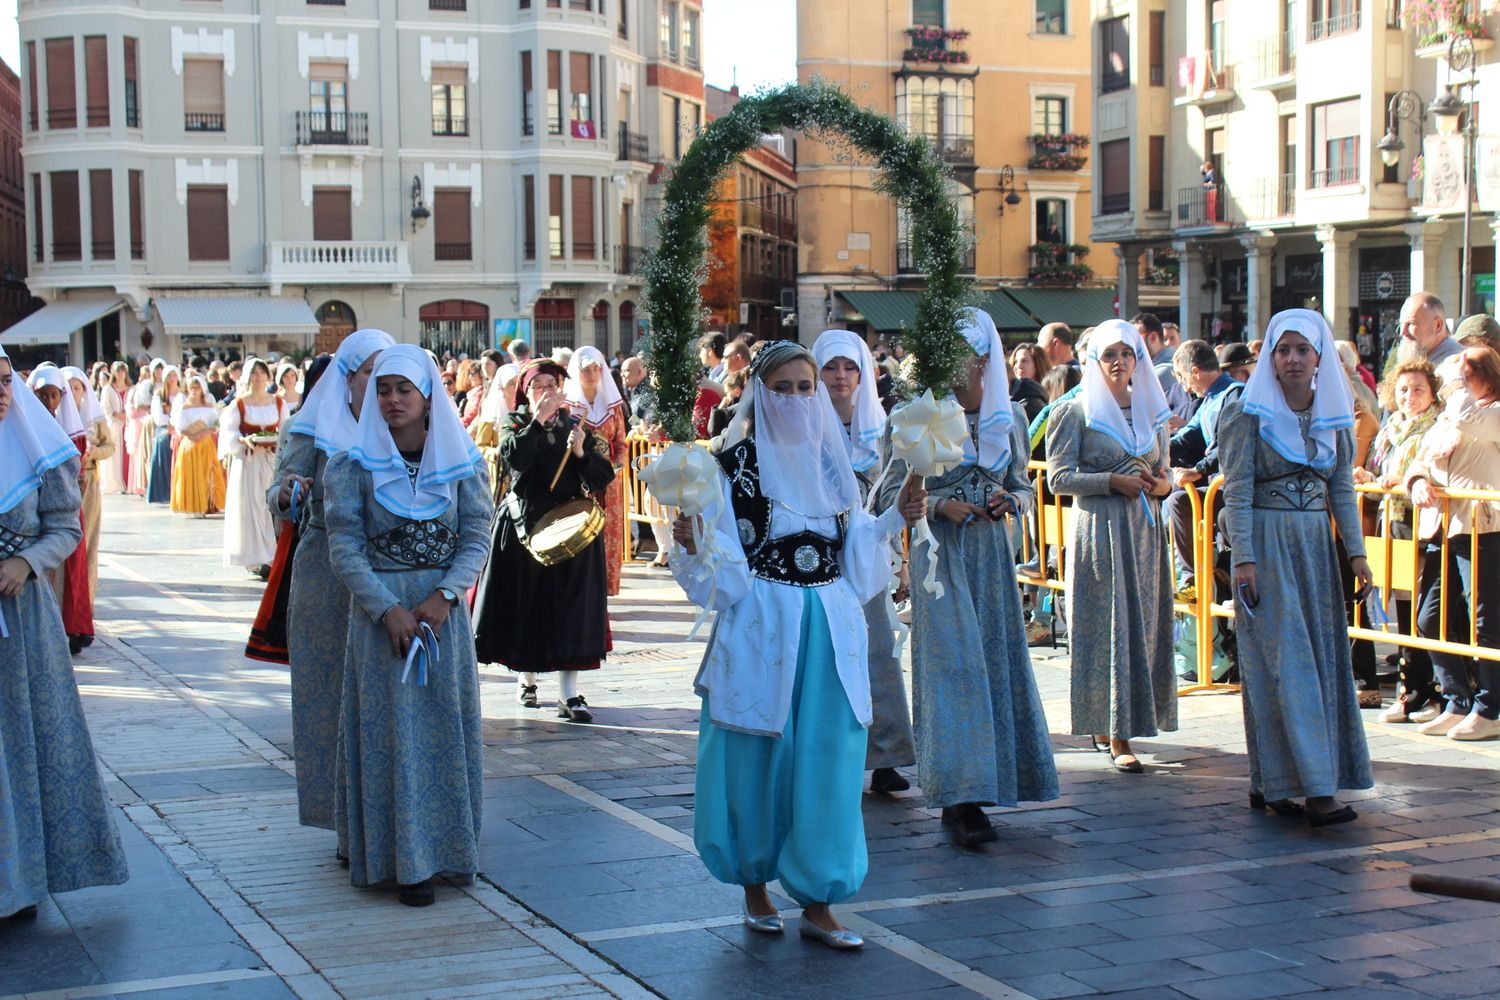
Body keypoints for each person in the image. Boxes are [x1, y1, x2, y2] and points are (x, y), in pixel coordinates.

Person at [670, 341, 926, 949]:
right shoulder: (727, 466)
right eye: (781, 388)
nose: (794, 398)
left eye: (804, 387)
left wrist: (896, 518)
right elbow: (722, 571)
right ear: (759, 392)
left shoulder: (833, 463)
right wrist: (693, 539)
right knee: (755, 754)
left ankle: (819, 898)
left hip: (829, 624)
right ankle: (755, 883)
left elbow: (858, 555)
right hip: (762, 623)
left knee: (829, 757)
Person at [322, 344, 493, 906]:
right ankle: (402, 862)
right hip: (382, 619)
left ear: (427, 397)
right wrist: (386, 609)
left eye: (404, 390)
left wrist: (445, 598)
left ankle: (449, 851)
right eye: (384, 389)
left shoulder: (463, 461)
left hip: (441, 616)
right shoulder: (351, 464)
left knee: (445, 728)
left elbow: (475, 534)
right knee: (391, 735)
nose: (393, 399)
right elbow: (345, 548)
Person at [883, 312, 1060, 845]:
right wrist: (939, 504)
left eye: (966, 354)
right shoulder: (918, 416)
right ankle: (958, 797)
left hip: (992, 558)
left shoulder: (1011, 418)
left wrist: (1015, 499)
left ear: (985, 361)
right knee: (952, 670)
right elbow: (892, 494)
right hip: (942, 561)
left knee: (993, 664)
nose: (955, 365)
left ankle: (994, 781)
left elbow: (1022, 484)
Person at [1220, 309, 1374, 823]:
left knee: (1320, 664)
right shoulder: (1247, 411)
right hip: (1267, 544)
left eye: (1301, 350)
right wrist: (1243, 559)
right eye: (1282, 350)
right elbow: (1237, 489)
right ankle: (1315, 790)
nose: (1291, 359)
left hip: (1314, 550)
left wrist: (1355, 553)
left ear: (1318, 357)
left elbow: (1342, 488)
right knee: (1285, 666)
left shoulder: (1333, 412)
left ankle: (1274, 782)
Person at [0, 345, 129, 920]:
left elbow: (63, 525)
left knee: (25, 743)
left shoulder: (38, 448)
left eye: (5, 381)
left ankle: (23, 875)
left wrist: (25, 564)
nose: (2, 392)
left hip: (22, 620)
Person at [268, 330, 393, 833]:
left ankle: (388, 816)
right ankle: (342, 818)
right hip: (325, 574)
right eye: (370, 375)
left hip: (389, 572)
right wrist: (289, 493)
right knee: (329, 698)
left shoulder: (410, 425)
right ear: (347, 379)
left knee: (385, 699)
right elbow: (277, 490)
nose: (382, 387)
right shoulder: (311, 426)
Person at [1047, 319, 1177, 774]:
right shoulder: (1075, 410)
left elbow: (1167, 471)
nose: (1120, 362)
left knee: (1140, 625)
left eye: (1127, 353)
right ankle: (1115, 731)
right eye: (1110, 355)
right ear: (1094, 361)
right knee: (1108, 626)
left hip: (1143, 533)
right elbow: (1058, 477)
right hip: (1100, 529)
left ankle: (1128, 718)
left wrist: (1160, 485)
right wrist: (1111, 481)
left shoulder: (1150, 409)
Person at [473, 358, 615, 721]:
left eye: (553, 386)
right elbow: (513, 459)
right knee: (527, 606)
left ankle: (570, 694)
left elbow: (602, 476)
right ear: (526, 393)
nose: (548, 393)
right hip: (525, 525)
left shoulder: (574, 425)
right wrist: (536, 422)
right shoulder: (515, 423)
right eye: (540, 387)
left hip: (570, 526)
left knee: (573, 611)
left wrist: (582, 453)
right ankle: (527, 678)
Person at [813, 329, 917, 797]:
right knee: (827, 652)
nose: (840, 376)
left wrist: (900, 558)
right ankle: (831, 752)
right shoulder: (804, 421)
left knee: (877, 648)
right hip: (818, 555)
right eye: (831, 366)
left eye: (849, 367)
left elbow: (897, 495)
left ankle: (886, 755)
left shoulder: (883, 427)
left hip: (871, 554)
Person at [1407, 347, 1500, 741]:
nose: (1451, 387)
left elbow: (1472, 423)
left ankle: (1489, 707)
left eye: (1463, 376)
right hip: (1442, 526)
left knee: (1485, 622)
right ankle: (1457, 698)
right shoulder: (1452, 414)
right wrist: (1417, 482)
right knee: (1430, 618)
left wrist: (1460, 389)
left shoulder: (1490, 412)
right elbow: (1420, 458)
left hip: (1482, 525)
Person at [1356, 359, 1443, 725]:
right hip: (1387, 524)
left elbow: (1432, 472)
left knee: (1423, 614)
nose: (1409, 396)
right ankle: (1411, 689)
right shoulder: (1391, 427)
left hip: (1419, 525)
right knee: (1400, 611)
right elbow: (1378, 469)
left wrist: (1399, 478)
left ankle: (1430, 690)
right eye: (1404, 389)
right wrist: (1369, 475)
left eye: (1418, 389)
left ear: (1432, 392)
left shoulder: (1436, 427)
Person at [29, 368, 96, 655]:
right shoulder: (26, 424)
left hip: (67, 509)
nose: (48, 401)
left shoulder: (71, 429)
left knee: (71, 569)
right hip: (34, 508)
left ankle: (74, 626)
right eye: (43, 395)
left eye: (54, 395)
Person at [564, 346, 630, 596]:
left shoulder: (612, 406)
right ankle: (583, 590)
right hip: (580, 478)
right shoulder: (569, 407)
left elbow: (621, 443)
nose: (591, 375)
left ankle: (606, 588)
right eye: (585, 370)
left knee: (609, 533)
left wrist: (617, 467)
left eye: (595, 369)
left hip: (608, 478)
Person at [220, 359, 284, 574]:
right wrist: (242, 440)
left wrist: (278, 442)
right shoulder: (239, 404)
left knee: (269, 506)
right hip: (249, 461)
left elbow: (285, 430)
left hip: (271, 460)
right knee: (252, 505)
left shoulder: (278, 403)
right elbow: (229, 432)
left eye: (262, 372)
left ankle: (271, 555)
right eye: (254, 373)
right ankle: (255, 557)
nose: (258, 377)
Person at [62, 366, 114, 600]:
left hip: (90, 481)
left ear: (84, 390)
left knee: (88, 541)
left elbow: (109, 446)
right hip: (63, 483)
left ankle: (86, 599)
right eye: (68, 388)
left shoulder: (94, 418)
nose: (73, 392)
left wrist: (94, 452)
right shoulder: (54, 415)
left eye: (77, 388)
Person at [170, 375, 226, 517]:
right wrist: (191, 434)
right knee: (192, 474)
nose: (194, 391)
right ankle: (193, 505)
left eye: (197, 387)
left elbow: (216, 423)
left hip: (205, 443)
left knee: (207, 473)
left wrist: (205, 431)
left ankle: (208, 504)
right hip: (190, 444)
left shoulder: (209, 407)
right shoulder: (184, 408)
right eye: (192, 388)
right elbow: (179, 427)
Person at [146, 365, 180, 505]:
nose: (172, 379)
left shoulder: (182, 393)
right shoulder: (160, 395)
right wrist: (169, 424)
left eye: (174, 375)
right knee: (164, 442)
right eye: (169, 376)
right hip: (165, 427)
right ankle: (163, 491)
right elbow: (158, 417)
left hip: (180, 427)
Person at [98, 361, 131, 494]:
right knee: (115, 456)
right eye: (117, 371)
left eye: (122, 371)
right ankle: (115, 484)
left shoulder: (131, 388)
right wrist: (116, 414)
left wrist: (128, 415)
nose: (120, 373)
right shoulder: (108, 389)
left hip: (129, 425)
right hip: (115, 426)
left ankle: (129, 482)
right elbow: (104, 407)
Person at [1009, 343, 1051, 423]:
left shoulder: (1049, 394)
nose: (1018, 366)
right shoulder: (1009, 397)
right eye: (1015, 362)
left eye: (1024, 361)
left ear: (1038, 364)